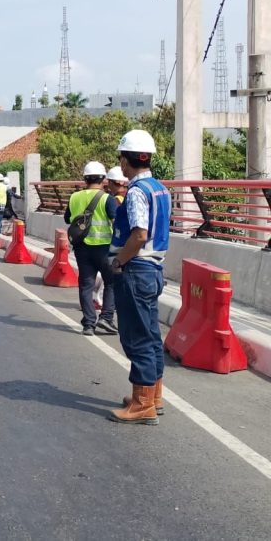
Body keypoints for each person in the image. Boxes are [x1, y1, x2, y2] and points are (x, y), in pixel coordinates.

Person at [107, 130, 171, 425]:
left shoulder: (135, 192)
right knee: (152, 336)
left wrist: (119, 261)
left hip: (137, 268)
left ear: (125, 160)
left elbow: (139, 235)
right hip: (154, 269)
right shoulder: (160, 188)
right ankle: (152, 396)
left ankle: (142, 404)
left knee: (136, 337)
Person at [64, 161, 119, 337]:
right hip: (104, 248)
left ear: (85, 179)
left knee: (86, 285)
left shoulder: (74, 197)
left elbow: (67, 219)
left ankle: (88, 324)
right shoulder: (107, 199)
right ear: (104, 179)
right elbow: (118, 222)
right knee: (111, 282)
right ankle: (106, 317)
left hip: (82, 248)